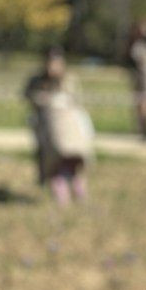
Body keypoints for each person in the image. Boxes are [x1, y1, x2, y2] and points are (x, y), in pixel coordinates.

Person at [24, 47, 94, 205]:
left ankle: (79, 195)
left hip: (70, 130)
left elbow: (77, 100)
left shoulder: (69, 80)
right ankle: (61, 199)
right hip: (48, 131)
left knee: (74, 164)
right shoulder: (37, 81)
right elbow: (28, 95)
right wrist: (41, 99)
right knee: (54, 166)